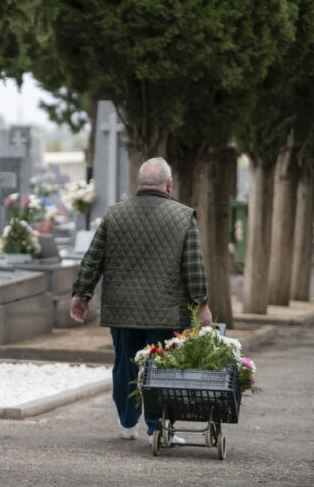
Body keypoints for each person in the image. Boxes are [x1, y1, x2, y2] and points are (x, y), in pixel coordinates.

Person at [69, 157, 212, 443]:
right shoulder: (183, 216)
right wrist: (201, 304)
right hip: (166, 310)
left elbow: (93, 258)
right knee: (163, 367)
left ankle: (126, 423)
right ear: (169, 184)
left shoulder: (115, 214)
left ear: (140, 184)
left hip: (122, 310)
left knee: (125, 364)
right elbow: (193, 265)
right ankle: (158, 427)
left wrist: (81, 295)